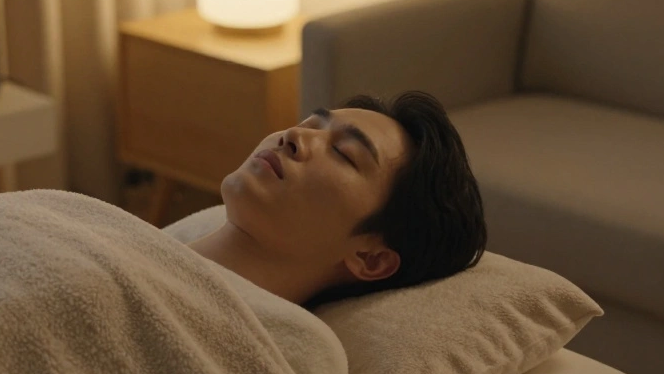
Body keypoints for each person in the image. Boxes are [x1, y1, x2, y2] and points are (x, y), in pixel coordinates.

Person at [189, 90, 487, 308]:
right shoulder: (146, 247)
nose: (293, 135)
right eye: (308, 125)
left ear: (370, 258)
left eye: (343, 153)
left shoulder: (297, 355)